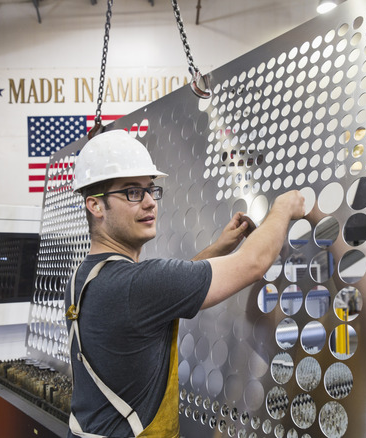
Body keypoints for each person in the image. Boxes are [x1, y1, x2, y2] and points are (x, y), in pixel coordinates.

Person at [66, 130, 305, 438]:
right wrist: (283, 208)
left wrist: (220, 247)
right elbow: (254, 263)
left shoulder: (84, 278)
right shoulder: (137, 285)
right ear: (95, 206)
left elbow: (163, 292)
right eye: (132, 192)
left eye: (150, 190)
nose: (150, 202)